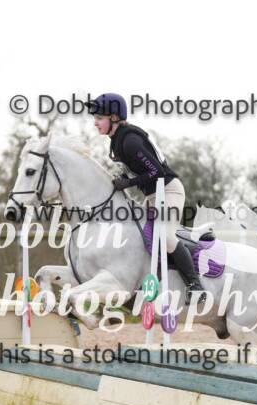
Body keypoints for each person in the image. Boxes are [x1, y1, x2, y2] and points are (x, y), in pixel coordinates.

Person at [86, 93, 206, 304]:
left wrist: (128, 183)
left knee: (165, 236)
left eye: (99, 118)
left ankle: (195, 286)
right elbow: (138, 170)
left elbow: (156, 171)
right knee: (138, 234)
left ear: (114, 117)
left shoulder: (130, 141)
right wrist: (124, 179)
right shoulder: (117, 140)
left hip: (169, 191)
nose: (95, 123)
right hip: (153, 194)